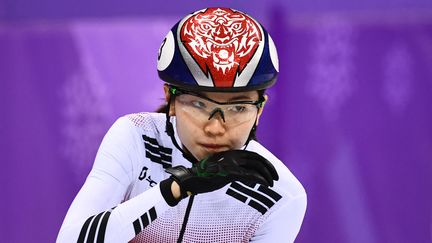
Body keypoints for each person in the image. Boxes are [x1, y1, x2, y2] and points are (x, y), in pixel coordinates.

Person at [57, 7, 307, 243]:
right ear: (171, 99)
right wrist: (175, 189)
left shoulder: (281, 196)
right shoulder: (135, 136)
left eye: (237, 108)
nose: (216, 128)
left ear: (260, 110)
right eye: (199, 105)